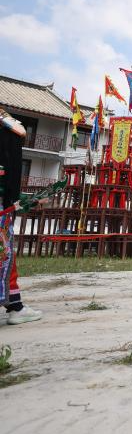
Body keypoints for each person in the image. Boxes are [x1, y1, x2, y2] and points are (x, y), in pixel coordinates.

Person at [0, 109, 42, 325]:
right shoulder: (7, 125)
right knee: (3, 252)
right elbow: (19, 131)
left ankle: (15, 304)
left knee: (6, 253)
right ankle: (15, 306)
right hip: (2, 203)